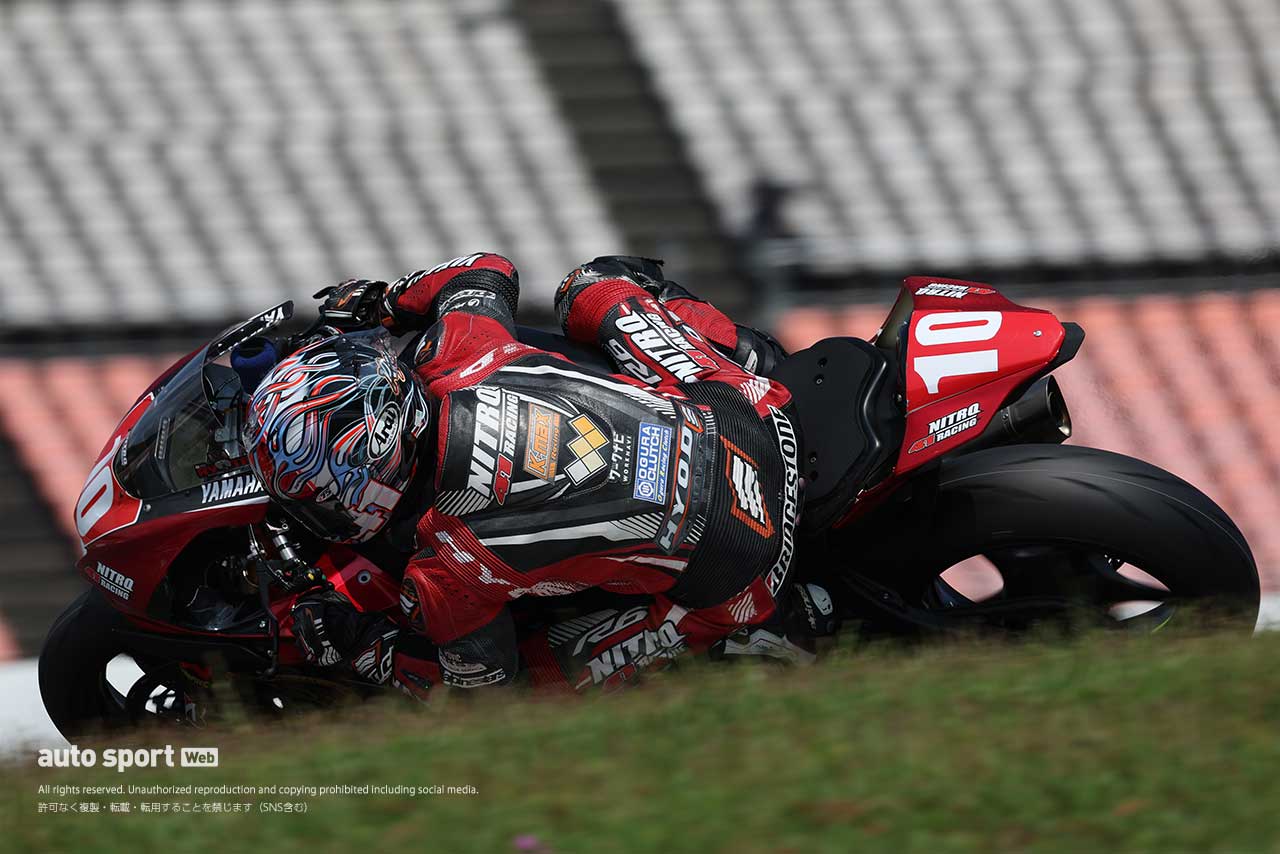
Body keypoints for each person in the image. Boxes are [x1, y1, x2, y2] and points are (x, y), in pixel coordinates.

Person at [241, 253, 836, 698]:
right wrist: (385, 303)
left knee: (537, 685)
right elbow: (484, 268)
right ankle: (747, 351)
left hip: (746, 575)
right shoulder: (460, 348)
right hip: (755, 411)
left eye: (313, 495)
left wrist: (357, 646)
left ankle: (750, 642)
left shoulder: (443, 566)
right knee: (590, 286)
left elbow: (479, 695)